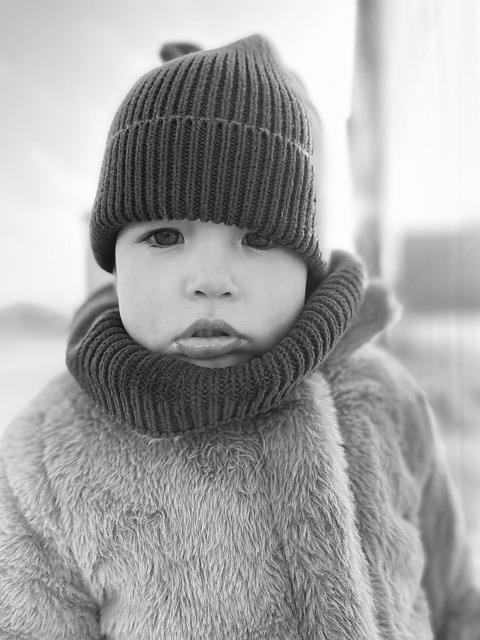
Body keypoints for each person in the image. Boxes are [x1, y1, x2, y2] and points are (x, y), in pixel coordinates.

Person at [0, 35, 479, 640]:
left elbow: (454, 599)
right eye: (165, 236)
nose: (210, 280)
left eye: (258, 238)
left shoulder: (384, 396)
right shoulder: (45, 458)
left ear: (307, 266)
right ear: (113, 261)